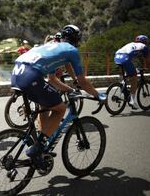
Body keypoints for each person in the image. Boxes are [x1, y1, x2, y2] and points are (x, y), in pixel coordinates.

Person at [11, 24, 106, 169]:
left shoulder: (53, 46)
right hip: (31, 76)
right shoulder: (72, 50)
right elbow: (82, 81)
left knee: (46, 105)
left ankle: (41, 141)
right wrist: (98, 95)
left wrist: (69, 88)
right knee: (60, 109)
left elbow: (53, 78)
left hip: (17, 72)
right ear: (76, 40)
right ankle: (38, 148)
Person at [114, 35, 150, 109]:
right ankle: (132, 101)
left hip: (117, 56)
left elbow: (132, 57)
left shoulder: (132, 44)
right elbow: (148, 61)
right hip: (125, 58)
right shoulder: (144, 47)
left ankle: (122, 83)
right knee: (134, 78)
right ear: (145, 42)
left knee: (129, 71)